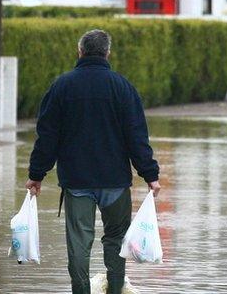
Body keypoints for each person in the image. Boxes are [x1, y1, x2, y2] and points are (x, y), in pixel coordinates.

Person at [25, 29, 161, 294]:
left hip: (76, 181)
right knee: (116, 241)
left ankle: (81, 291)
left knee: (78, 243)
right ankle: (115, 289)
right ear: (107, 53)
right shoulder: (122, 87)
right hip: (115, 181)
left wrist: (37, 174)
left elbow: (47, 136)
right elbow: (136, 136)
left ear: (80, 51)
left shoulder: (61, 86)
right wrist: (150, 174)